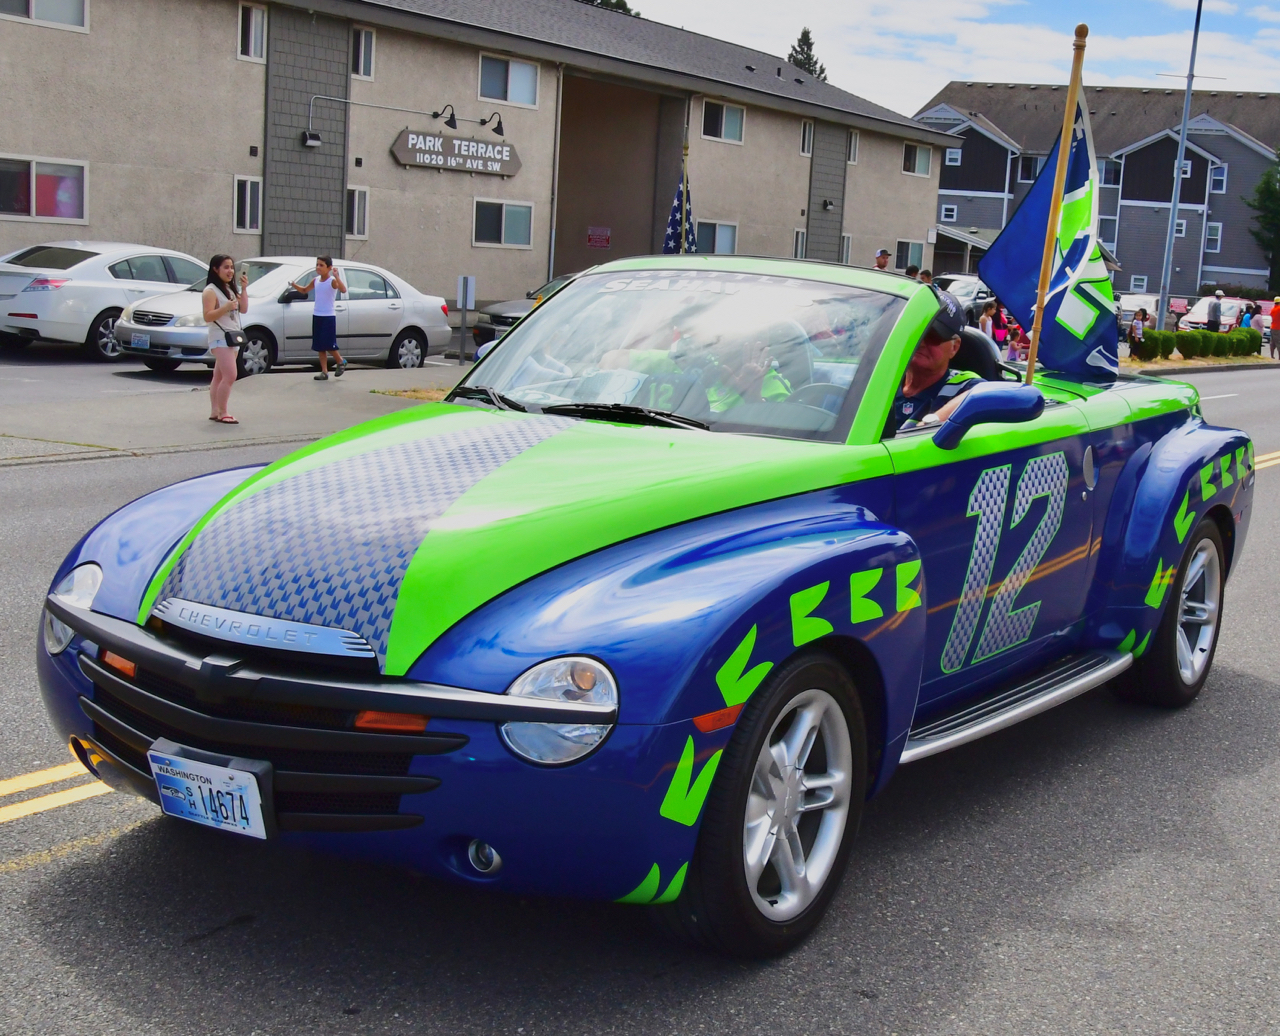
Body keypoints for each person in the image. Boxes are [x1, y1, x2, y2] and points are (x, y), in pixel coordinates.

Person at [891, 289, 981, 431]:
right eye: (915, 331)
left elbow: (984, 394)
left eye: (932, 336)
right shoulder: (884, 378)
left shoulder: (961, 386)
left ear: (954, 347)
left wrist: (932, 421)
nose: (920, 342)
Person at [202, 254, 248, 424]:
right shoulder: (210, 291)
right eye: (226, 267)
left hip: (232, 337)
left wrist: (243, 289)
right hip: (220, 337)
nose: (230, 271)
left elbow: (243, 309)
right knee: (230, 375)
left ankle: (215, 411)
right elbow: (207, 316)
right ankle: (223, 412)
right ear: (216, 269)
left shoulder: (229, 289)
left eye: (231, 267)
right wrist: (225, 307)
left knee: (219, 376)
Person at [289, 257, 348, 380]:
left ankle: (340, 361)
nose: (318, 267)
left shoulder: (332, 281)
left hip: (328, 316)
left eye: (321, 265)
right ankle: (324, 371)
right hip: (317, 315)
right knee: (320, 346)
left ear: (329, 268)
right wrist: (294, 285)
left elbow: (343, 289)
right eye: (317, 265)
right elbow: (305, 290)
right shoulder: (316, 280)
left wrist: (337, 276)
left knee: (328, 344)